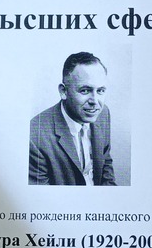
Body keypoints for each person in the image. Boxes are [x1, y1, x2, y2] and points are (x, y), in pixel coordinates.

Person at [29, 52, 116, 185]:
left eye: (100, 91)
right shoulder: (35, 136)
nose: (95, 101)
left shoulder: (103, 113)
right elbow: (40, 194)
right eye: (85, 90)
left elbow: (106, 165)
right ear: (63, 91)